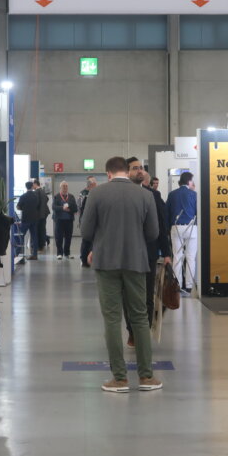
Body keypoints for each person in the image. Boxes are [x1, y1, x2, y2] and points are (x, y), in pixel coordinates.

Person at [81, 156, 161, 393]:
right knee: (140, 317)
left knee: (112, 319)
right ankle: (146, 377)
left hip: (106, 262)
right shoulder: (145, 195)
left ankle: (119, 379)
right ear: (127, 171)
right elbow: (153, 233)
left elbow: (86, 231)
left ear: (108, 173)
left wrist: (100, 242)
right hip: (136, 261)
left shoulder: (96, 194)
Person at [122, 158, 172, 347]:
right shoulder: (121, 195)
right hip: (126, 254)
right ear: (127, 172)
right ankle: (132, 331)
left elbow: (161, 225)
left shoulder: (153, 195)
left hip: (149, 252)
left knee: (148, 294)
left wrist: (166, 253)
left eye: (141, 168)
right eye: (135, 168)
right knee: (128, 295)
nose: (140, 171)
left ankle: (144, 330)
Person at [166, 171, 198, 293]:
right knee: (191, 257)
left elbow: (167, 212)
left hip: (176, 227)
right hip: (191, 227)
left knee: (177, 256)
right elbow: (198, 212)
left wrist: (168, 228)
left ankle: (177, 284)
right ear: (189, 181)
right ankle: (189, 286)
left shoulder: (172, 194)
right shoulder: (194, 194)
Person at [52, 181, 78, 260]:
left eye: (66, 186)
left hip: (69, 220)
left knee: (68, 237)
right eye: (63, 186)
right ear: (60, 188)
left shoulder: (71, 196)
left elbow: (75, 208)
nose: (65, 188)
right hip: (59, 220)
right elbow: (54, 207)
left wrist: (69, 210)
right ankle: (59, 253)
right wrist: (62, 208)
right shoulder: (57, 196)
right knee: (59, 237)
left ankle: (67, 253)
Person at [17, 181, 40, 260]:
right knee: (34, 237)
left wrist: (24, 208)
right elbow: (37, 206)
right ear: (32, 186)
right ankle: (35, 254)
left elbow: (18, 207)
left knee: (21, 235)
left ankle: (18, 253)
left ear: (26, 187)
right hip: (34, 218)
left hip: (25, 219)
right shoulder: (36, 196)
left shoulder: (23, 196)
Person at [78, 176, 97, 268]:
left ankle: (92, 259)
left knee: (94, 241)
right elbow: (80, 206)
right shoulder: (83, 193)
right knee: (86, 240)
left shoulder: (96, 192)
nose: (96, 184)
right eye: (95, 183)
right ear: (91, 184)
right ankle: (84, 260)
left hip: (95, 220)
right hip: (86, 220)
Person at [33, 178, 50, 251]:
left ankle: (40, 245)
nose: (33, 186)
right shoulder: (43, 191)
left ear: (35, 184)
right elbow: (47, 199)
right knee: (42, 229)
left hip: (39, 214)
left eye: (33, 185)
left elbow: (36, 202)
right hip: (45, 213)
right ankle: (44, 242)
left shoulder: (36, 192)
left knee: (38, 230)